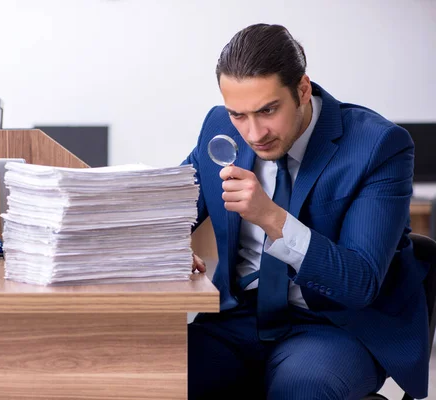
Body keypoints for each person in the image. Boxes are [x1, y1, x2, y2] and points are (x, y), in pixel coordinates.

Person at [184, 23, 430, 400]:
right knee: (159, 375)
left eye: (268, 110)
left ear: (301, 90)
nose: (253, 132)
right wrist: (166, 247)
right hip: (236, 318)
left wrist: (272, 218)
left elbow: (360, 282)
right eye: (239, 114)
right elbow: (170, 207)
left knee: (301, 388)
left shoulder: (378, 146)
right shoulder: (220, 127)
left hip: (335, 324)